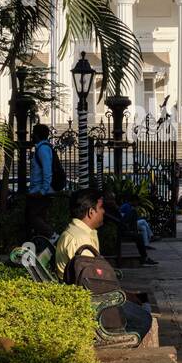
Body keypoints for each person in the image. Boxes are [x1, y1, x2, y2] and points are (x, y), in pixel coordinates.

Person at [55, 188, 154, 335]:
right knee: (144, 319)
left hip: (88, 293)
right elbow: (94, 283)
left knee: (140, 303)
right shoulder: (80, 239)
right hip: (91, 301)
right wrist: (122, 295)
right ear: (91, 212)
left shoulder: (79, 232)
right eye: (101, 208)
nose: (103, 212)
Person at [26, 123, 55, 240]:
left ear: (37, 135)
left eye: (33, 133)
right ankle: (45, 244)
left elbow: (47, 172)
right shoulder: (41, 149)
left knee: (31, 216)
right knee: (40, 218)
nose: (32, 136)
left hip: (40, 192)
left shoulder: (43, 149)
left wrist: (42, 191)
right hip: (37, 191)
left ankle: (52, 235)